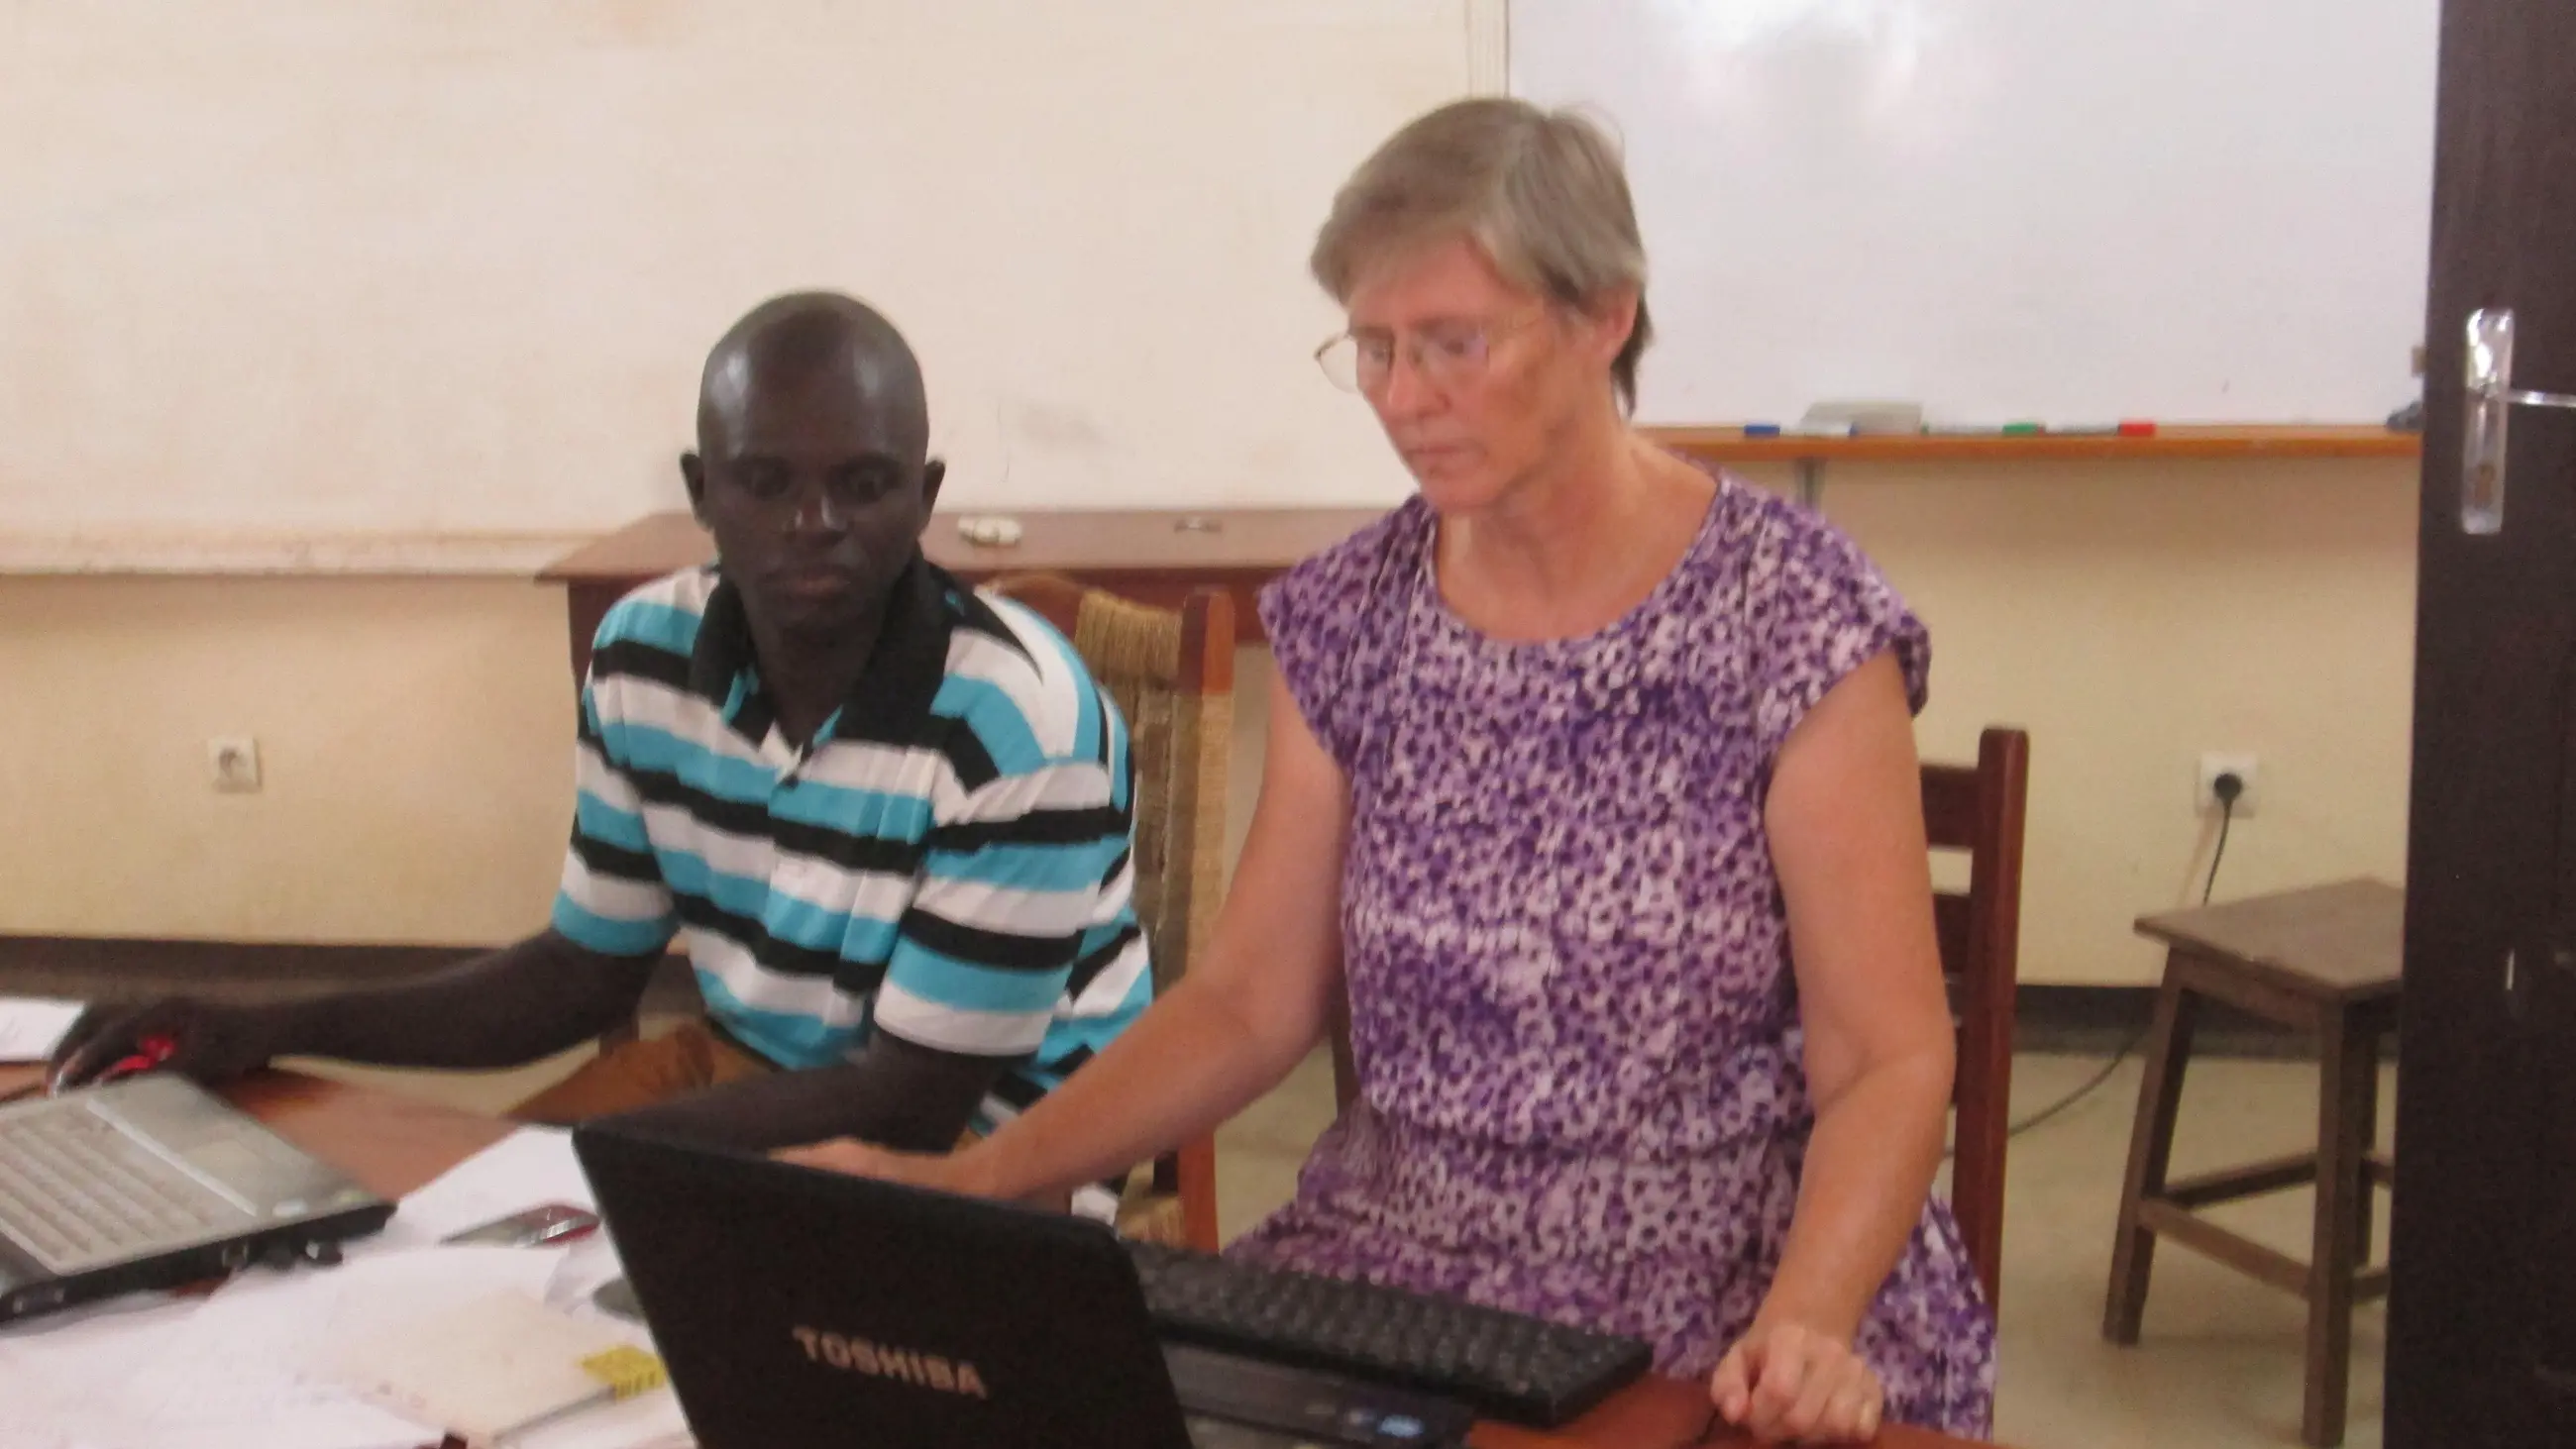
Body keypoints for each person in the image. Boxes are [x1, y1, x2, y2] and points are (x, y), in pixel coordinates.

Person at [790, 101, 1994, 1441]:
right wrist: (980, 1181)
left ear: (1604, 315)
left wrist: (1809, 1316)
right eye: (1373, 347)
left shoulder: (1787, 611)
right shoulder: (1354, 615)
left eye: (1453, 342)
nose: (1404, 397)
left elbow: (1886, 1052)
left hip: (1721, 1287)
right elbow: (1248, 1002)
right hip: (1400, 1274)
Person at [52, 292, 1152, 1165]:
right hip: (746, 1071)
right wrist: (270, 1024)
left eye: (862, 484)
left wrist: (591, 1164)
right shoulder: (644, 656)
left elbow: (909, 1105)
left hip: (998, 1145)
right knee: (433, 1232)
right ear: (702, 492)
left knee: (551, 1251)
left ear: (925, 494)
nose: (814, 523)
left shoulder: (1017, 723)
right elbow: (579, 974)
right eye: (766, 481)